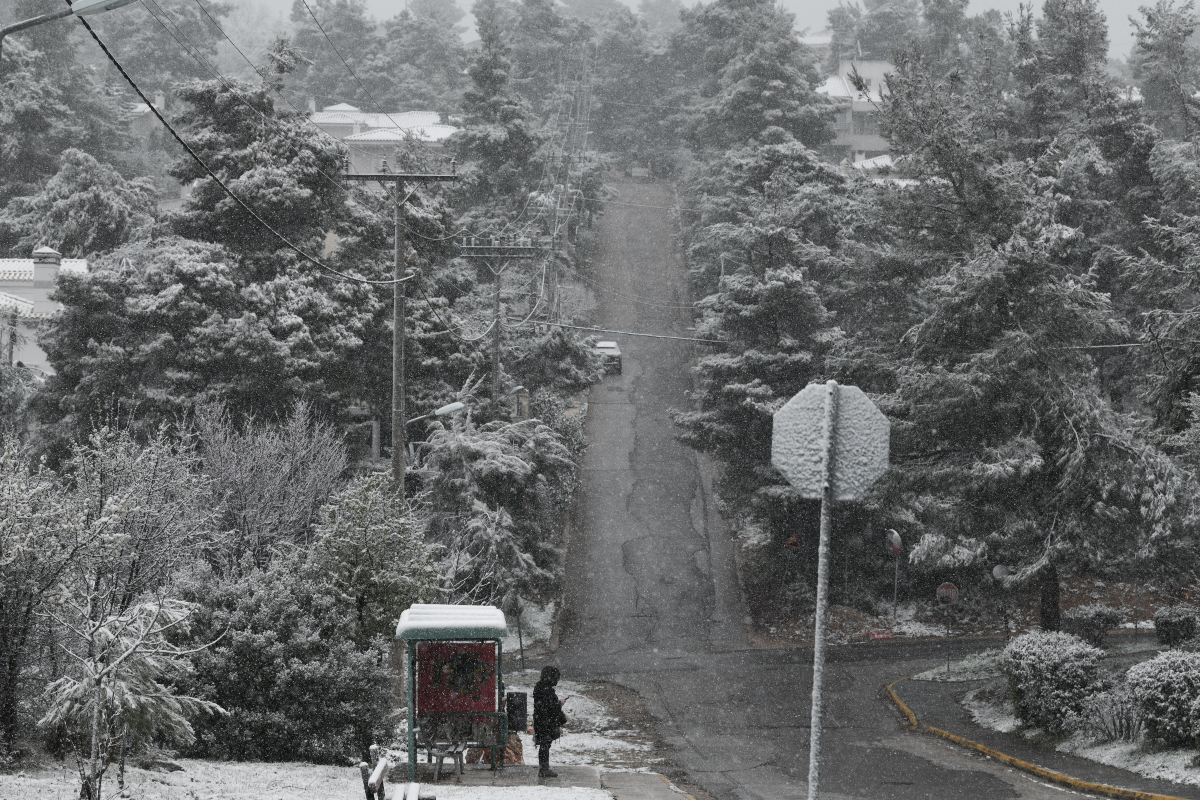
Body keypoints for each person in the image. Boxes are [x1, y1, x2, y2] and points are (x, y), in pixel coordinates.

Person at [533, 665, 567, 778]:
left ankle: (544, 768)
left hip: (542, 720)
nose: (557, 681)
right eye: (556, 678)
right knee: (545, 743)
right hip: (544, 721)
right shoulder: (545, 689)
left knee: (545, 743)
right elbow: (549, 706)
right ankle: (544, 769)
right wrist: (560, 703)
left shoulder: (541, 687)